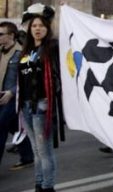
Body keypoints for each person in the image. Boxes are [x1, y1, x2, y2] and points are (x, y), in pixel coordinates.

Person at [18, 14, 65, 192]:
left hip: (42, 104)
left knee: (45, 152)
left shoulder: (52, 48)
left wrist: (63, 11)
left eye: (41, 26)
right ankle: (39, 184)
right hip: (25, 105)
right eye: (34, 26)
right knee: (36, 151)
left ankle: (47, 186)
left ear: (47, 29)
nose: (37, 29)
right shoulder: (26, 50)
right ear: (30, 30)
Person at [0, 21, 34, 170]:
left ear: (11, 36)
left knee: (0, 126)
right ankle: (27, 156)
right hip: (0, 96)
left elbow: (26, 79)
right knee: (14, 127)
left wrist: (12, 92)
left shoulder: (21, 54)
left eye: (1, 34)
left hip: (13, 98)